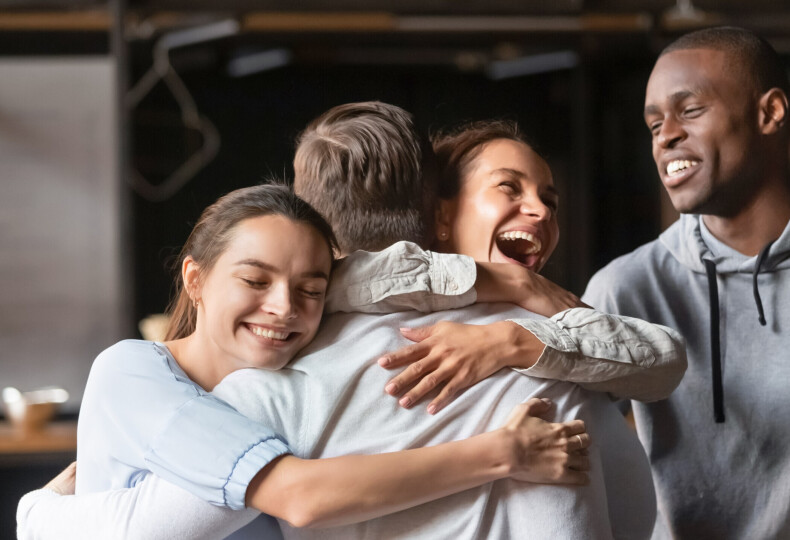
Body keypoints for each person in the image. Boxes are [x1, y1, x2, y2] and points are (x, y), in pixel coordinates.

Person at [18, 103, 682, 539]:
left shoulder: (268, 392)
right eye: (509, 189)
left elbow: (159, 524)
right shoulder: (554, 343)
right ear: (437, 213)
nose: (283, 307)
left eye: (306, 286)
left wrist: (35, 515)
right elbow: (634, 498)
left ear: (324, 252)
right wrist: (501, 294)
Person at [20, 183, 594, 537]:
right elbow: (299, 497)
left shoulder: (294, 388)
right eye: (255, 279)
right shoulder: (133, 371)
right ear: (196, 279)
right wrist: (505, 452)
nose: (283, 309)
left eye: (311, 289)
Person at [369, 118, 686, 538]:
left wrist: (512, 338)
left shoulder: (552, 322)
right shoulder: (393, 326)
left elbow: (664, 362)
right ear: (443, 215)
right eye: (509, 187)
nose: (541, 210)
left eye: (549, 201)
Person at [582, 27, 790, 539]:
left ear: (770, 113)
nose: (665, 134)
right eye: (654, 123)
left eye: (689, 110)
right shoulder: (625, 288)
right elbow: (547, 447)